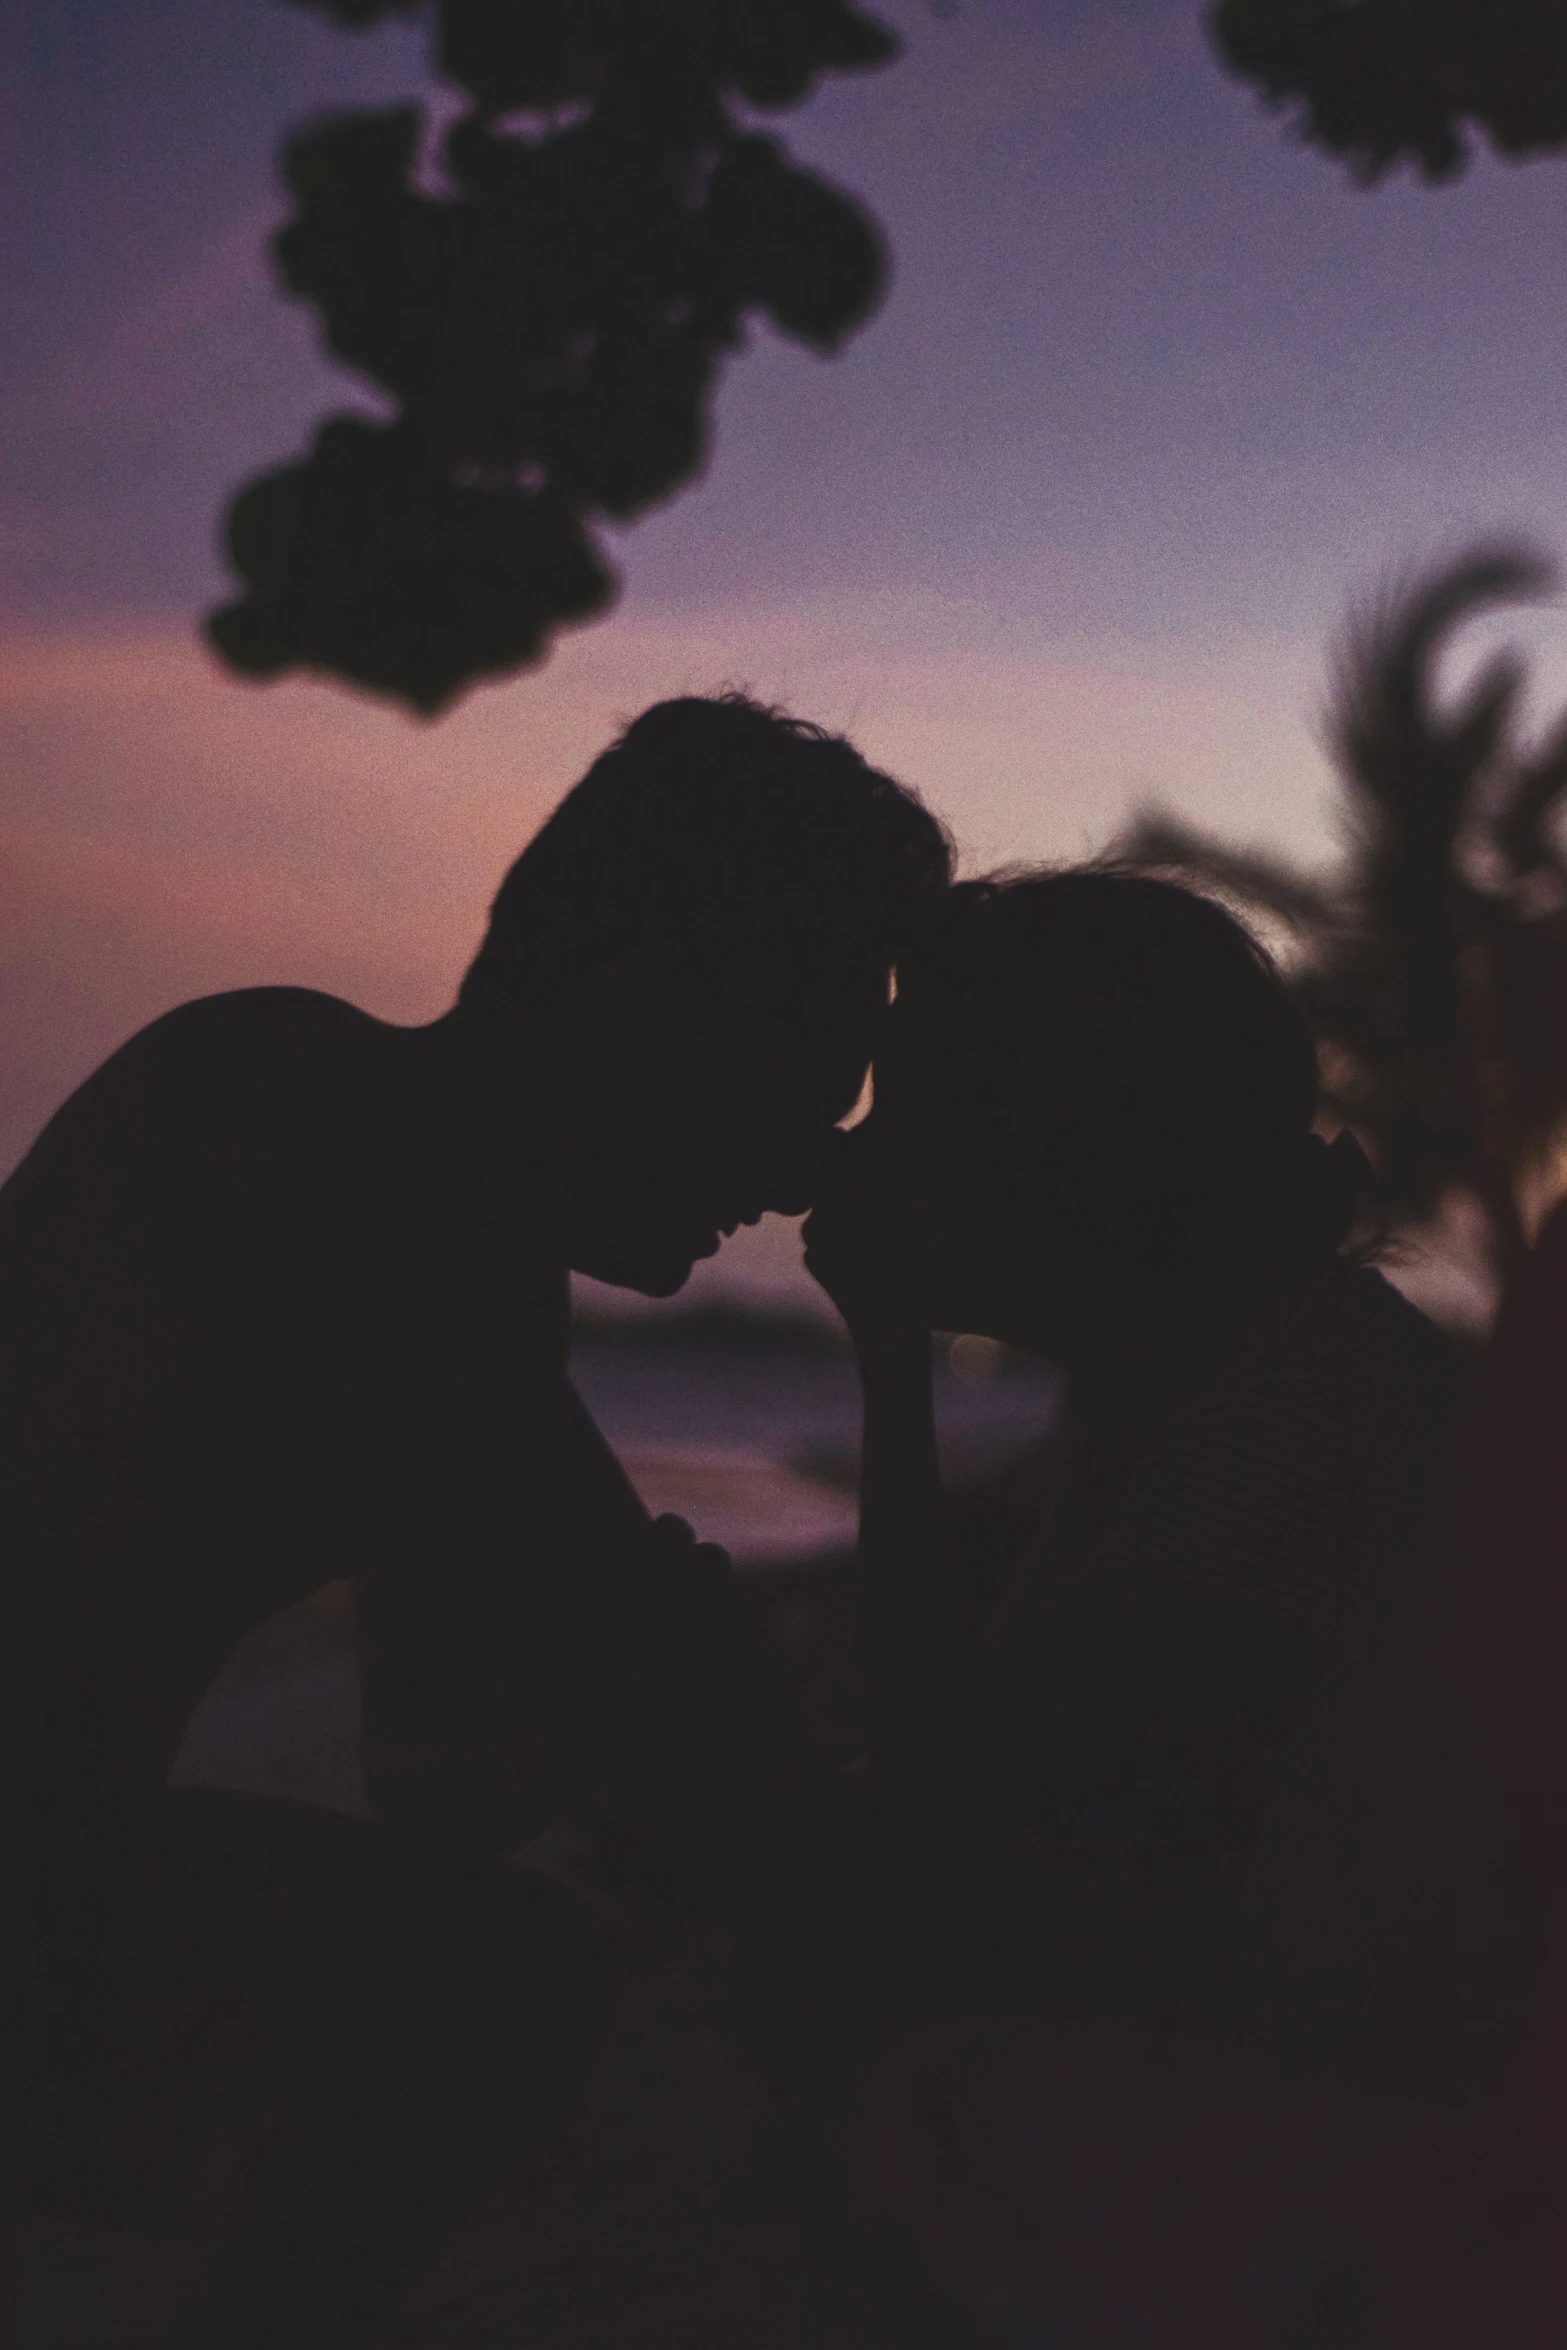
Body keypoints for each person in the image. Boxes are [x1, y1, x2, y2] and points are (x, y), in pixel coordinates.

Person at [3, 693, 951, 2344]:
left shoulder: (439, 1229)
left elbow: (436, 1780)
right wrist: (661, 1669)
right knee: (498, 1987)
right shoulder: (323, 1121)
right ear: (660, 1002)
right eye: (806, 1073)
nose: (807, 1166)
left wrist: (881, 1361)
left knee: (499, 1974)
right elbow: (733, 1800)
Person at [803, 869, 1467, 2032]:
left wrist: (889, 1349)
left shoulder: (1288, 1401)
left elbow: (951, 1785)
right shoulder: (1207, 1357)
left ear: (1054, 1143)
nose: (851, 1156)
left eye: (907, 1111)